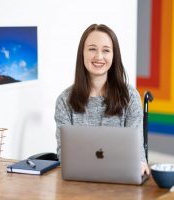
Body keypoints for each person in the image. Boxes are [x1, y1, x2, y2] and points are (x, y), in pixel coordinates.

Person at [54, 24, 150, 176]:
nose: (99, 56)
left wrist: (140, 163)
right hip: (79, 181)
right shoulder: (64, 101)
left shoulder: (130, 96)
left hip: (121, 180)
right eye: (92, 49)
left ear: (113, 55)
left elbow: (136, 150)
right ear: (82, 54)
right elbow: (64, 155)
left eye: (106, 50)